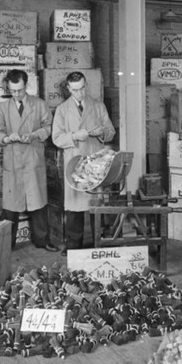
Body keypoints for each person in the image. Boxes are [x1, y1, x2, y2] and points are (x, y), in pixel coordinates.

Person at [0, 70, 58, 252]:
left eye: (19, 90)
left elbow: (49, 126)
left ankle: (42, 240)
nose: (16, 94)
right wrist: (5, 138)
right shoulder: (3, 108)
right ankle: (7, 243)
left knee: (38, 202)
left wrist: (35, 135)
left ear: (26, 86)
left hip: (32, 158)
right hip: (12, 159)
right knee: (11, 207)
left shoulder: (39, 104)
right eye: (13, 91)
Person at [51, 71, 116, 255]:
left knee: (96, 205)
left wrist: (102, 131)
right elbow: (56, 138)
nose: (79, 93)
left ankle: (99, 243)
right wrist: (74, 136)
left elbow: (111, 131)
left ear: (86, 85)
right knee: (74, 207)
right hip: (74, 163)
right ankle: (74, 246)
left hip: (95, 162)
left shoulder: (98, 106)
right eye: (75, 90)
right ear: (68, 89)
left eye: (82, 88)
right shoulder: (62, 110)